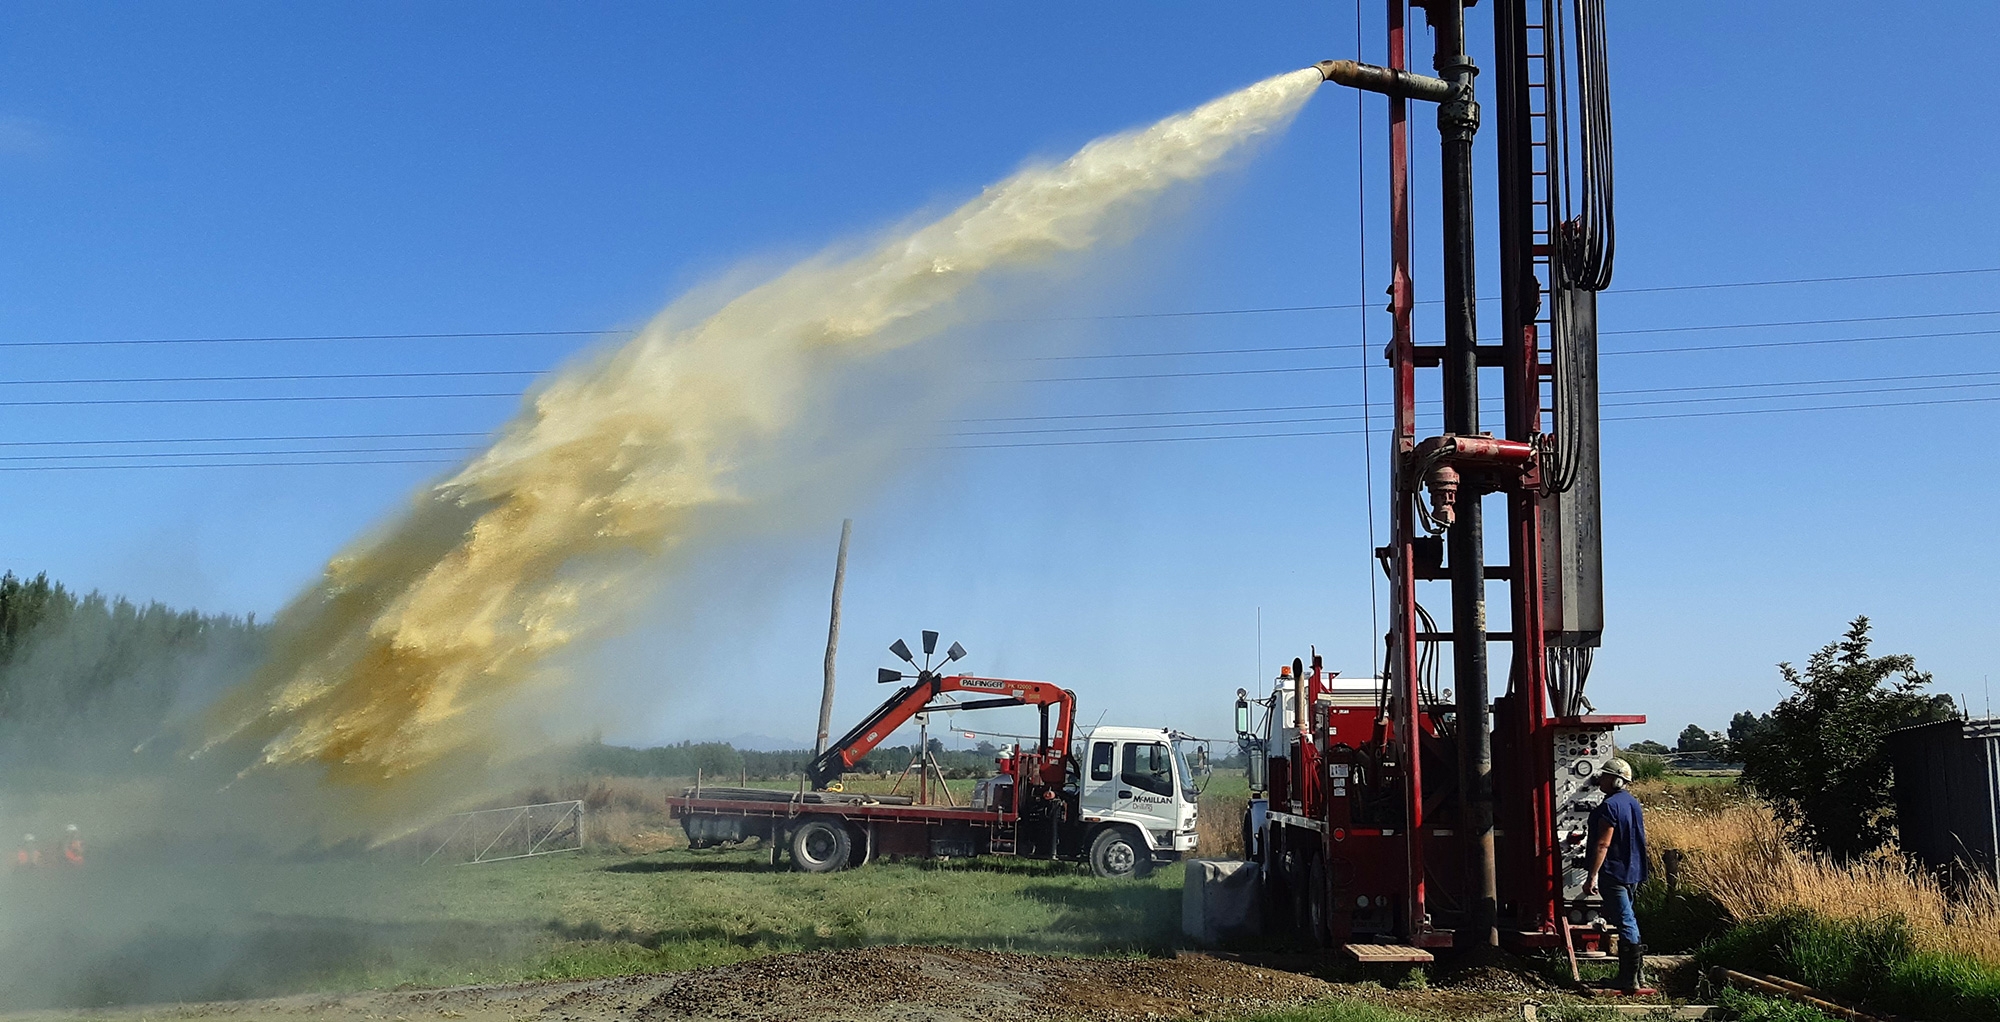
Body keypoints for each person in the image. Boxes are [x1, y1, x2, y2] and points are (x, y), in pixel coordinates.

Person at [1583, 757, 1650, 993]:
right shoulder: (1632, 803)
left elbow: (1603, 845)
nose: (1601, 778)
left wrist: (1592, 875)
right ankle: (1637, 976)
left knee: (1625, 921)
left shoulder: (1610, 807)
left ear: (1617, 781)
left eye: (1606, 775)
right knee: (1629, 919)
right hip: (1634, 871)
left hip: (1615, 872)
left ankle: (1628, 979)